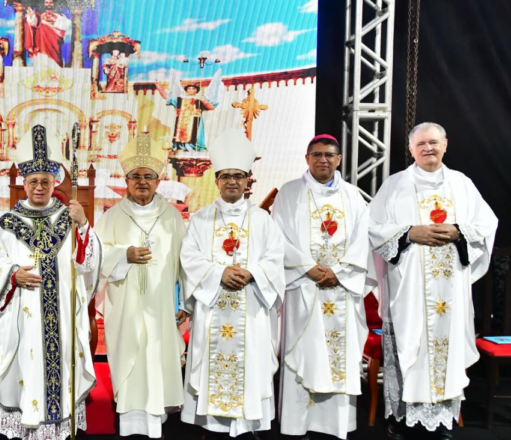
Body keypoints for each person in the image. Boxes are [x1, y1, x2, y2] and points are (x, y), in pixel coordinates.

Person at [369, 123, 497, 440]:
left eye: (434, 142)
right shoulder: (395, 185)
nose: (428, 148)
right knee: (409, 348)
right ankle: (402, 421)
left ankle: (442, 422)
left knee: (446, 350)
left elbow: (486, 223)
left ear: (445, 145)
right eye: (422, 143)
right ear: (411, 149)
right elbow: (371, 228)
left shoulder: (462, 184)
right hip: (408, 289)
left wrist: (458, 231)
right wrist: (410, 233)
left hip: (450, 289)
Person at [0, 125, 101, 440]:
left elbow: (88, 264)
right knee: (25, 368)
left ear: (54, 182)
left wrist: (85, 225)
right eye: (33, 181)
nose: (38, 187)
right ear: (24, 182)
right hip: (22, 315)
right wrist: (10, 274)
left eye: (45, 181)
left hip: (61, 315)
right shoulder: (7, 223)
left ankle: (57, 426)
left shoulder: (69, 218)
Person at [180, 129, 285, 437]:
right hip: (213, 312)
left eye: (238, 176)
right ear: (216, 180)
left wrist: (252, 272)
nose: (232, 182)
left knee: (250, 365)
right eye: (226, 176)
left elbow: (275, 260)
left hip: (251, 309)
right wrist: (219, 274)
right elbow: (189, 261)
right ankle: (212, 427)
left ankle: (247, 426)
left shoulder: (263, 220)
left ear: (247, 180)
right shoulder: (200, 220)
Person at [273, 134, 371, 439]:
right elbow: (278, 238)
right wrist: (308, 268)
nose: (323, 160)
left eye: (329, 154)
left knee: (336, 356)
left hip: (341, 290)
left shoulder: (354, 196)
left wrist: (338, 273)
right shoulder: (289, 193)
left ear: (339, 159)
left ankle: (335, 424)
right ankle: (296, 423)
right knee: (303, 353)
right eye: (316, 154)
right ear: (307, 158)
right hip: (302, 288)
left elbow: (363, 240)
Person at [94, 132, 186, 438]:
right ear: (126, 180)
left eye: (148, 176)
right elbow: (95, 258)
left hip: (160, 309)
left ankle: (155, 424)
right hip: (125, 309)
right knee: (130, 366)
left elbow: (186, 264)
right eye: (135, 176)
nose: (142, 181)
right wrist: (124, 255)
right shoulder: (110, 217)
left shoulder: (173, 218)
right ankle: (131, 426)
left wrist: (184, 302)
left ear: (159, 181)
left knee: (157, 361)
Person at [156, 69, 221, 152]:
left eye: (193, 89)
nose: (191, 90)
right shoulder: (180, 99)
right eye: (189, 88)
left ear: (196, 90)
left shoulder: (199, 99)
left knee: (196, 136)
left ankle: (194, 147)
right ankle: (181, 146)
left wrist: (203, 100)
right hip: (182, 123)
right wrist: (158, 87)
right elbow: (166, 96)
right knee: (180, 136)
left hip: (195, 122)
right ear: (186, 90)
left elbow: (211, 107)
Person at [24, 0, 71, 67]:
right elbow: (33, 23)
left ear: (54, 3)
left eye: (51, 2)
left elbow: (67, 25)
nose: (49, 4)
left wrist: (55, 21)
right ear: (43, 4)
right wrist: (31, 17)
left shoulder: (60, 16)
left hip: (55, 44)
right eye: (46, 2)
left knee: (56, 64)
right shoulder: (39, 16)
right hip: (42, 46)